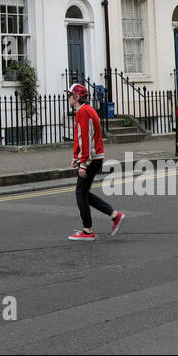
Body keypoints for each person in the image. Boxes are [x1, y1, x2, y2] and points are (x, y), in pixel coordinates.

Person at [68, 83, 124, 241]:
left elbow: (86, 139)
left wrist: (83, 163)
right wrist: (77, 157)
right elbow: (84, 138)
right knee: (83, 192)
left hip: (92, 159)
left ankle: (88, 231)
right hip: (94, 157)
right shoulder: (86, 110)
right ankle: (114, 215)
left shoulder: (84, 112)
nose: (68, 98)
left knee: (80, 193)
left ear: (77, 97)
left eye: (70, 95)